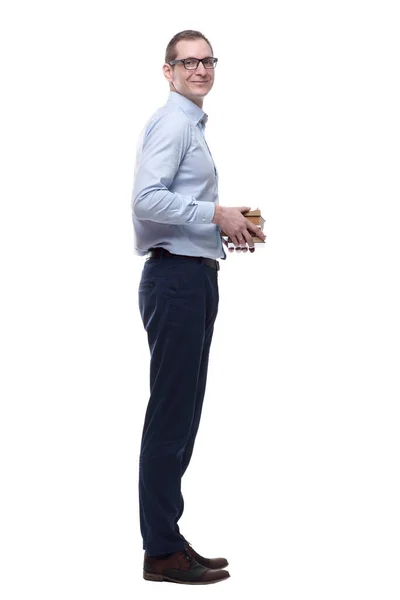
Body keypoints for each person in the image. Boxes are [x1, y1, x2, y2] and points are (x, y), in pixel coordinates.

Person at [131, 30, 266, 585]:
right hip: (177, 281)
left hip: (192, 275)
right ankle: (161, 551)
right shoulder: (173, 122)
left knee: (182, 416)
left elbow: (176, 201)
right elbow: (145, 198)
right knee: (171, 416)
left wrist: (227, 221)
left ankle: (168, 538)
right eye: (188, 62)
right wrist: (215, 215)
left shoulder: (190, 125)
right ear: (168, 71)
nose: (201, 69)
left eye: (208, 60)